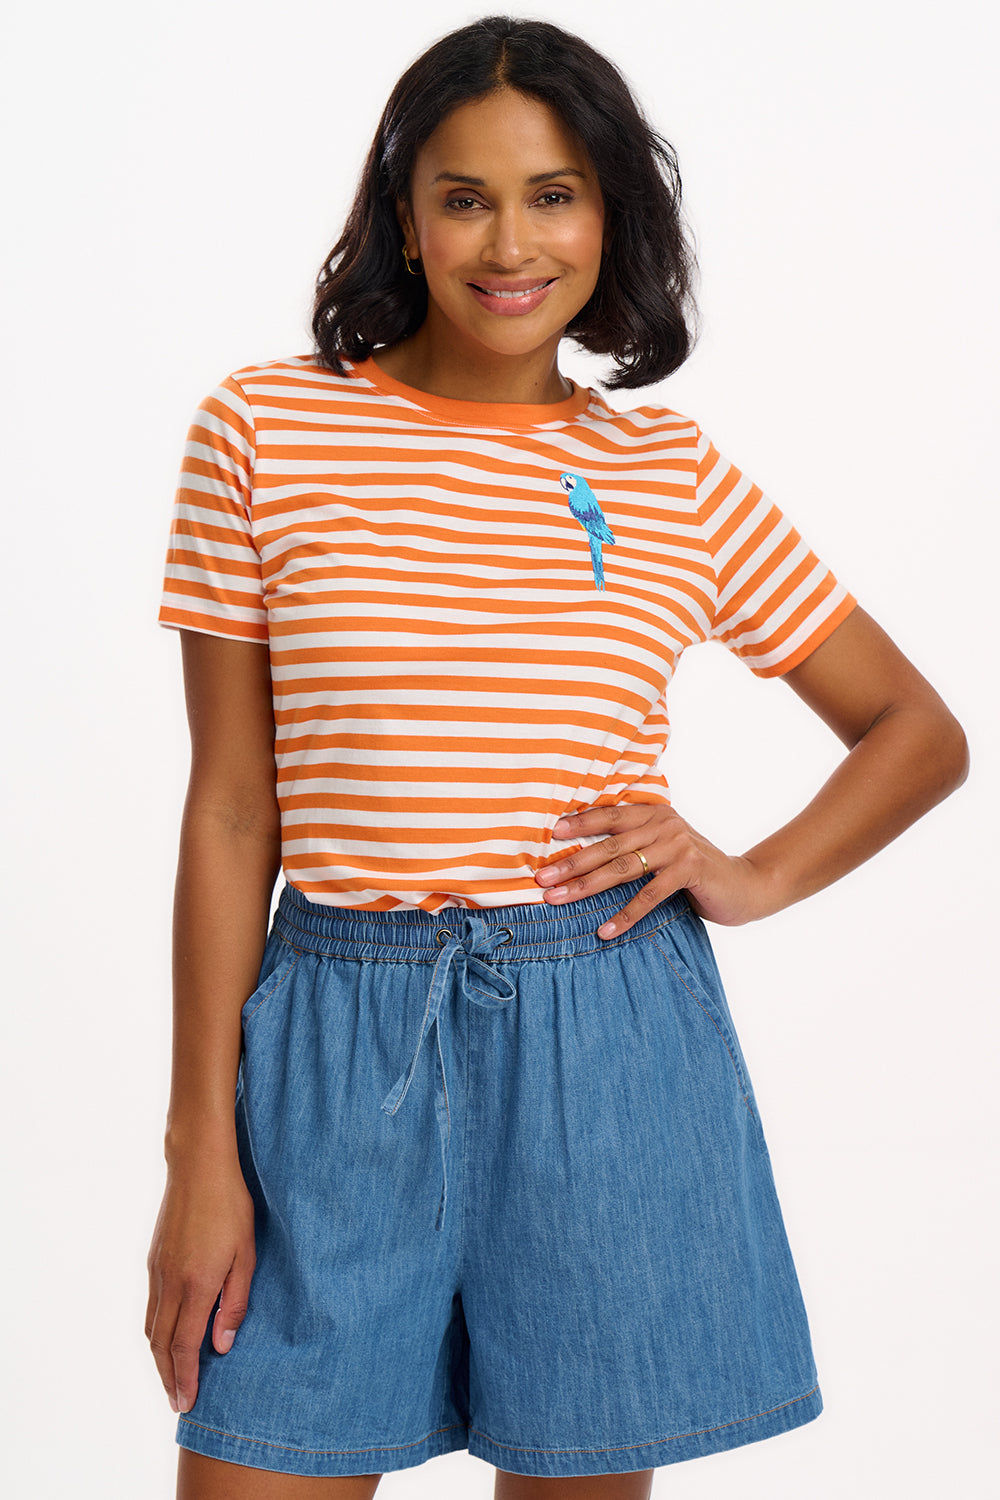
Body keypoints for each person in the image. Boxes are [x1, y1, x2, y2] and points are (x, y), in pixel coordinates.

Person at [146, 15, 968, 1500]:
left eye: (555, 193)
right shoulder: (265, 430)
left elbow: (917, 733)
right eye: (464, 195)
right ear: (402, 212)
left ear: (610, 216)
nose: (509, 240)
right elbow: (227, 809)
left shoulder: (668, 474)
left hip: (605, 1032)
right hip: (335, 1037)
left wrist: (752, 871)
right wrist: (198, 1146)